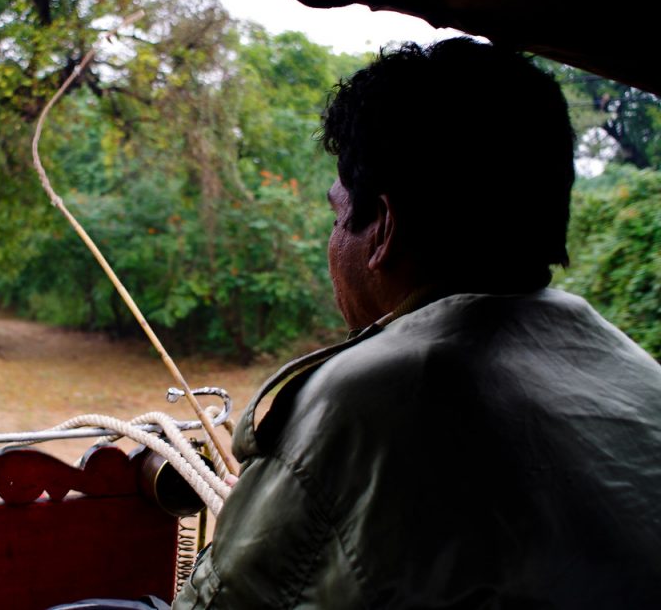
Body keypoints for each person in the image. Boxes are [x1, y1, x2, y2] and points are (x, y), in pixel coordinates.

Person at [174, 38, 661, 608]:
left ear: (382, 226)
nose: (332, 243)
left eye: (338, 216)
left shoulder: (362, 402)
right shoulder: (641, 375)